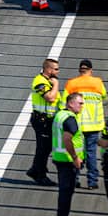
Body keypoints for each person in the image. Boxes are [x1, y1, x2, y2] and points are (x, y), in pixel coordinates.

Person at [65, 59, 107, 189]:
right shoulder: (98, 83)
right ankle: (92, 181)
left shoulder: (72, 84)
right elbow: (104, 97)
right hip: (94, 125)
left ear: (79, 70)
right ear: (90, 70)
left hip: (76, 125)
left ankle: (75, 179)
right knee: (91, 153)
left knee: (76, 152)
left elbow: (64, 103)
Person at [53, 92, 86, 216]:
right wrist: (75, 158)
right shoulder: (70, 120)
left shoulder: (60, 115)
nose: (82, 106)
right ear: (71, 103)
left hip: (59, 158)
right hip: (67, 160)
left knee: (64, 191)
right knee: (66, 191)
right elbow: (67, 139)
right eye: (80, 103)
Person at [27, 58, 61, 186]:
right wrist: (56, 84)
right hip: (41, 120)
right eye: (56, 69)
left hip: (49, 119)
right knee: (43, 148)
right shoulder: (40, 82)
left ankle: (36, 169)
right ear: (48, 69)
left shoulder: (48, 81)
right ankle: (39, 174)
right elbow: (50, 98)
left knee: (46, 147)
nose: (58, 71)